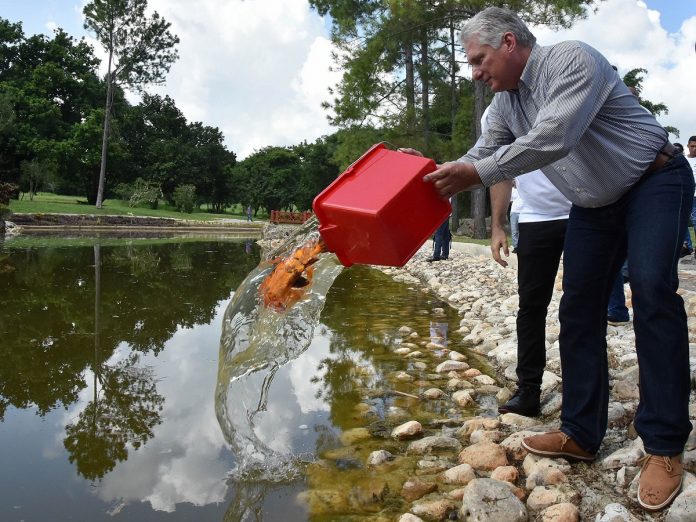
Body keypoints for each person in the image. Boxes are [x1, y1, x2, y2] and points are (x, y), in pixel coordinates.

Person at [401, 7, 692, 512]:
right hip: (594, 202)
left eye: (479, 60)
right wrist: (422, 175)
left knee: (650, 290)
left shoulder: (571, 61)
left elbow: (555, 135)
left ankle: (664, 445)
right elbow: (481, 153)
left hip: (654, 179)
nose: (475, 73)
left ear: (509, 42)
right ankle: (581, 430)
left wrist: (478, 171)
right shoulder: (503, 106)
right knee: (577, 307)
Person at [486, 107, 572, 417]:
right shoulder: (496, 114)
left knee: (580, 306)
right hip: (536, 217)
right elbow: (498, 169)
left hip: (586, 210)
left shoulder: (562, 92)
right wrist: (498, 225)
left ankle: (581, 391)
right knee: (531, 306)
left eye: (482, 60)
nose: (478, 74)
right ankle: (529, 390)